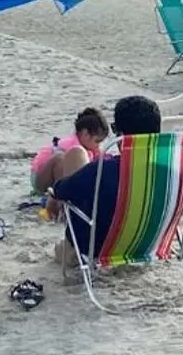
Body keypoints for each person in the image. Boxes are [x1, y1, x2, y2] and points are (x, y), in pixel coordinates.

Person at [40, 94, 166, 270]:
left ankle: (68, 252)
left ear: (122, 135)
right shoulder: (175, 171)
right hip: (149, 245)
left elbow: (62, 190)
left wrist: (54, 197)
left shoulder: (101, 171)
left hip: (96, 249)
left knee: (74, 172)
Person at [32, 109, 110, 192]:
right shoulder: (69, 145)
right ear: (86, 134)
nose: (98, 145)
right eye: (97, 141)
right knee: (61, 159)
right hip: (40, 177)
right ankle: (61, 195)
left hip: (59, 176)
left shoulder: (90, 147)